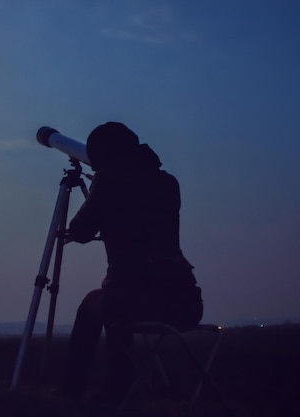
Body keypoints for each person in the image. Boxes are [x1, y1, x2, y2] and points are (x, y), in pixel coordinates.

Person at [56, 122, 203, 401]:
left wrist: (98, 184)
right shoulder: (168, 182)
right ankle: (117, 387)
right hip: (186, 302)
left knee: (98, 303)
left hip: (141, 302)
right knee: (115, 297)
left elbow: (81, 231)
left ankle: (75, 389)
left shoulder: (109, 180)